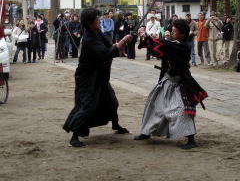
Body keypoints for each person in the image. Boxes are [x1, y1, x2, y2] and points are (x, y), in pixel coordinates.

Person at [63, 8, 133, 147]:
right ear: (89, 23)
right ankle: (75, 136)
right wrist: (122, 42)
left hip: (99, 75)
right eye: (96, 20)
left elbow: (108, 47)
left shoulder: (97, 33)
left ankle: (115, 125)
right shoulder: (89, 39)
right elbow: (105, 53)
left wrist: (120, 44)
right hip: (88, 77)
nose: (99, 21)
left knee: (112, 102)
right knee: (86, 105)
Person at [134, 19, 208, 149]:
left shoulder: (183, 47)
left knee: (182, 110)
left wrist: (148, 38)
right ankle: (146, 131)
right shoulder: (172, 44)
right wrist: (145, 37)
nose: (172, 32)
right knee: (154, 104)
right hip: (167, 81)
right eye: (172, 30)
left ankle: (191, 138)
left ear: (182, 34)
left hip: (181, 83)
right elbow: (160, 49)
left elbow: (166, 46)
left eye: (175, 31)